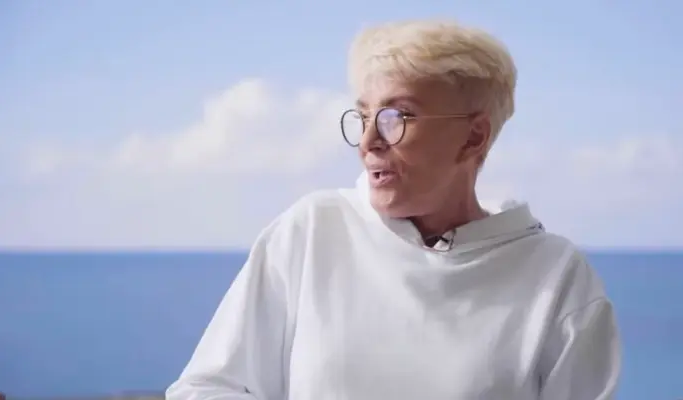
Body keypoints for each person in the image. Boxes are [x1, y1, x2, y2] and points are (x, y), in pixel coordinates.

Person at [166, 19, 621, 400]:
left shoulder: (557, 279)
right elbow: (203, 389)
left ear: (474, 137)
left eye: (396, 117)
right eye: (364, 116)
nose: (367, 142)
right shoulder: (312, 231)